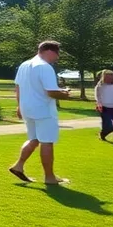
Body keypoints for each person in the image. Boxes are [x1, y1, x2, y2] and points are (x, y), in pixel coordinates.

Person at [9, 41, 72, 184]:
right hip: (43, 110)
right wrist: (65, 94)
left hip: (27, 108)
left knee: (34, 139)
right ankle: (49, 177)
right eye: (57, 54)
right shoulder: (45, 67)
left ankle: (18, 166)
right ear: (50, 51)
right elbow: (50, 92)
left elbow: (18, 88)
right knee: (47, 142)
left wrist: (19, 106)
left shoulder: (24, 65)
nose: (57, 57)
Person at [95, 68, 113, 143]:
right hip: (104, 108)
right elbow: (97, 96)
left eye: (110, 78)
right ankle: (103, 134)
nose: (109, 79)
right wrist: (99, 104)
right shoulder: (100, 87)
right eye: (107, 78)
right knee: (108, 124)